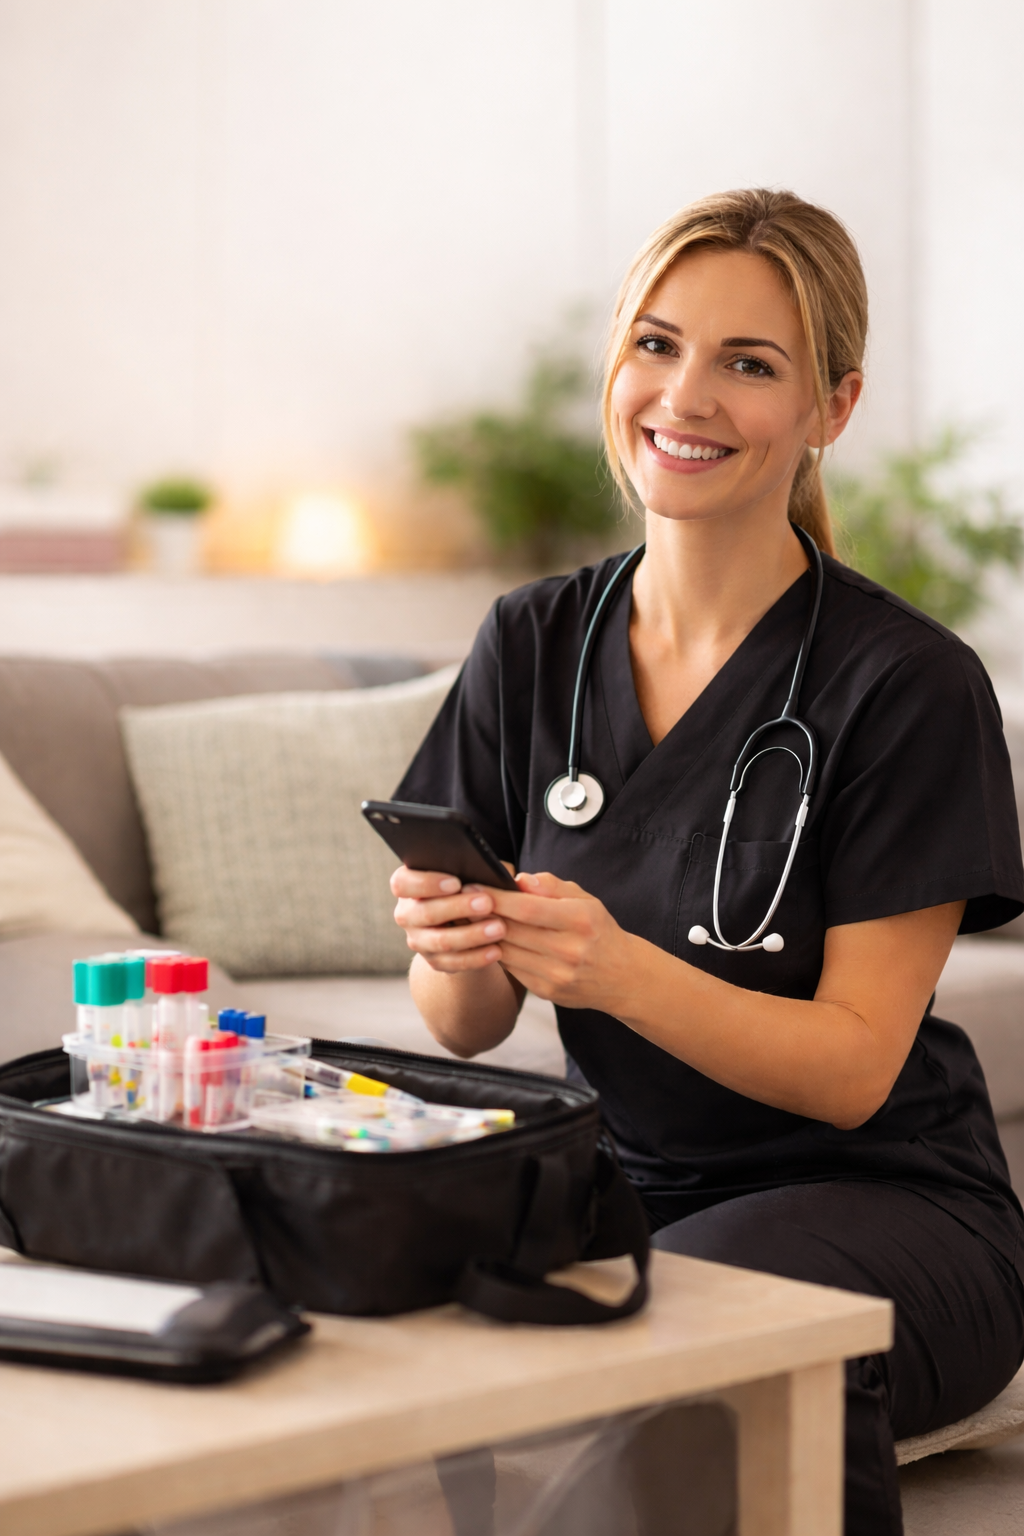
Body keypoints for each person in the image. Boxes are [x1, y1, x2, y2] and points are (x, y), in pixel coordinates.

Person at [390, 188, 1024, 1534]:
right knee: (357, 1311)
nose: (686, 397)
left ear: (831, 411)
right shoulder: (533, 641)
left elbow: (856, 1071)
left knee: (703, 1334)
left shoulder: (907, 683)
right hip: (621, 1191)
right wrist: (453, 947)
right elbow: (467, 1018)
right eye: (657, 346)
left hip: (887, 1208)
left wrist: (623, 974)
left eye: (750, 364)